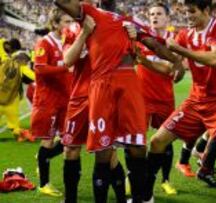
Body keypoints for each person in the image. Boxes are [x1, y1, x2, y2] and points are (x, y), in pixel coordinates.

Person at [54, 1, 184, 202]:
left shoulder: (128, 23)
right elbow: (68, 60)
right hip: (86, 92)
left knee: (133, 147)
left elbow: (153, 45)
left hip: (122, 85)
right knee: (87, 149)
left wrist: (176, 62)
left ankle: (140, 197)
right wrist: (85, 33)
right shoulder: (83, 18)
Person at [144, 0, 216, 202]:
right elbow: (174, 70)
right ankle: (145, 197)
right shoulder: (185, 34)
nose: (188, 16)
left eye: (192, 11)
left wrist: (181, 51)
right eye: (186, 12)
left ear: (206, 10)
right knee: (157, 141)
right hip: (196, 101)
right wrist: (149, 58)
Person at [135, 2, 178, 195]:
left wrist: (142, 60)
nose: (154, 17)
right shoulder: (141, 39)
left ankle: (166, 179)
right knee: (137, 142)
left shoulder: (173, 41)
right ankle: (135, 177)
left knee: (165, 141)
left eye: (159, 13)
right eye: (152, 14)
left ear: (167, 18)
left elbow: (168, 69)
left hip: (164, 98)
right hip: (141, 97)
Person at [32, 8, 73, 197]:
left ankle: (42, 158)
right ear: (55, 24)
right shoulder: (44, 42)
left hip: (66, 98)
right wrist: (64, 67)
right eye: (65, 22)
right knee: (47, 141)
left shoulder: (67, 40)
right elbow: (39, 69)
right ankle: (44, 183)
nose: (69, 25)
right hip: (47, 100)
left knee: (69, 140)